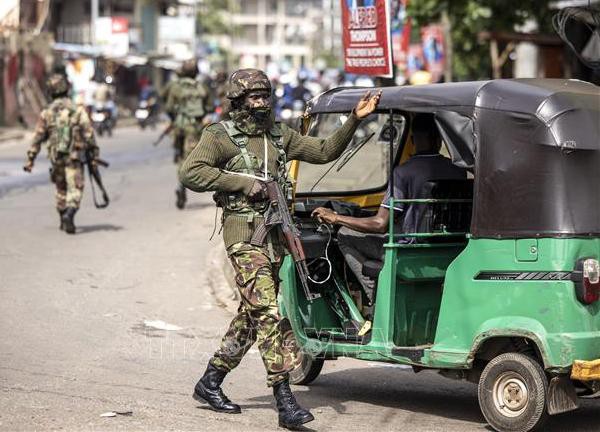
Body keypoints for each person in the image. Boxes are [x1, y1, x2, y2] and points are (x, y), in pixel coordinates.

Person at [179, 68, 381, 430]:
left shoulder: (278, 134)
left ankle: (210, 382)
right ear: (239, 101)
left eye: (265, 96)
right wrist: (241, 183)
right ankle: (285, 399)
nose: (262, 103)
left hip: (274, 239)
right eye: (254, 98)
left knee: (251, 317)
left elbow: (323, 151)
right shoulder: (220, 136)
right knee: (269, 312)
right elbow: (190, 173)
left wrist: (354, 120)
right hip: (243, 237)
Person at [312, 113, 467, 301]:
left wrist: (336, 218)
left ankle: (375, 298)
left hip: (407, 252)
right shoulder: (457, 170)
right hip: (447, 248)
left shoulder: (403, 172)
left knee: (345, 233)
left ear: (411, 140)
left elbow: (379, 224)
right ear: (439, 139)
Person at [23, 73, 99, 234]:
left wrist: (30, 159)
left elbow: (37, 138)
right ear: (66, 88)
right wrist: (95, 154)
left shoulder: (46, 113)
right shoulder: (77, 111)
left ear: (50, 91)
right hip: (74, 158)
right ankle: (70, 214)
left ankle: (62, 217)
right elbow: (89, 134)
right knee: (75, 188)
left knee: (61, 189)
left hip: (56, 158)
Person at [166, 59, 212, 209]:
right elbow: (209, 107)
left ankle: (181, 186)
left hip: (179, 127)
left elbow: (169, 108)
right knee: (188, 159)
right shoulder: (201, 87)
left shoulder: (176, 87)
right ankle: (182, 186)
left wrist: (175, 120)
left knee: (180, 157)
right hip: (195, 128)